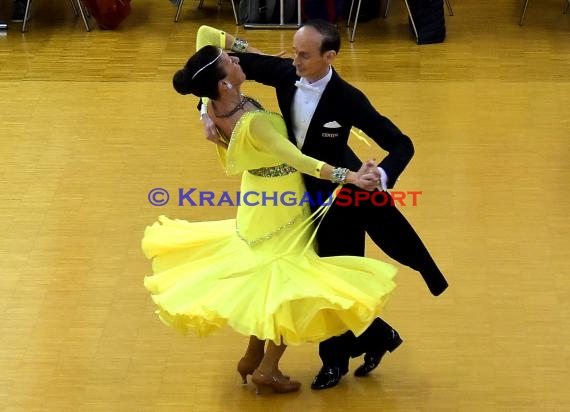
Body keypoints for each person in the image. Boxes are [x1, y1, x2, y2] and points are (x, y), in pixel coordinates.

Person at [198, 22, 449, 390]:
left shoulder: (347, 98)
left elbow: (402, 144)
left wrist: (378, 176)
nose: (293, 59)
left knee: (332, 278)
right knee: (310, 279)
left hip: (338, 198)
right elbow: (207, 56)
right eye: (294, 50)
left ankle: (334, 363)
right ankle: (379, 338)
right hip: (290, 198)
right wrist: (203, 108)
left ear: (329, 57)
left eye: (303, 54)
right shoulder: (285, 73)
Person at [142, 42, 399, 394]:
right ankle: (268, 368)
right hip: (282, 202)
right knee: (285, 287)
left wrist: (202, 110)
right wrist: (351, 176)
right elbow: (299, 161)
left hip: (257, 198)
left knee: (266, 280)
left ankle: (251, 356)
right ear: (224, 84)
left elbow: (205, 37)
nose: (236, 59)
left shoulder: (216, 106)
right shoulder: (254, 123)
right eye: (229, 61)